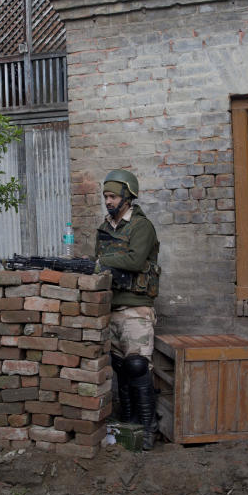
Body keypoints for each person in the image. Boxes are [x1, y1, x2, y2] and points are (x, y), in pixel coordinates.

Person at [94, 169, 161, 450]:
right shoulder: (105, 228)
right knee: (121, 367)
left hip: (136, 308)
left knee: (137, 366)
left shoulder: (141, 226)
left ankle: (147, 429)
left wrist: (103, 260)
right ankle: (129, 424)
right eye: (105, 196)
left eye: (112, 196)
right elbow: (97, 262)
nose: (108, 201)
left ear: (127, 197)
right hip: (112, 306)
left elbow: (134, 261)